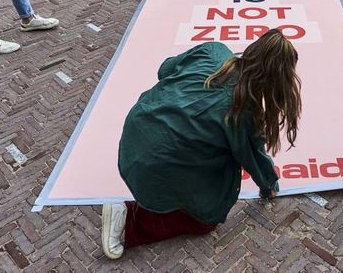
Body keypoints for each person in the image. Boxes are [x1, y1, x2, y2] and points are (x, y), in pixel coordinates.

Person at [102, 29, 302, 259]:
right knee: (206, 219)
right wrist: (269, 186)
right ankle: (128, 219)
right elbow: (253, 155)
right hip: (158, 162)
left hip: (137, 132)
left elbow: (164, 69)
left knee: (210, 144)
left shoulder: (213, 50)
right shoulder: (244, 110)